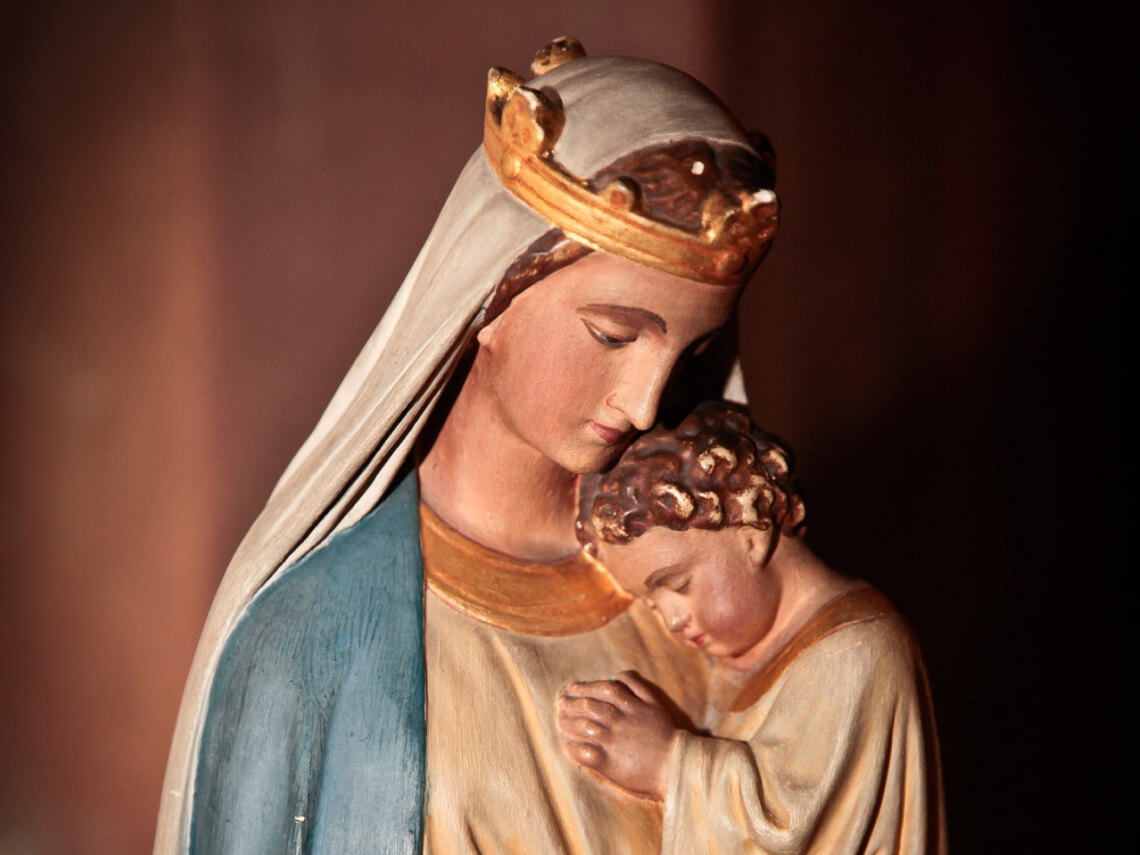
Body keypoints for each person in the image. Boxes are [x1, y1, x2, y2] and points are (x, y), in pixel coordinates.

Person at [155, 38, 782, 854]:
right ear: (490, 289)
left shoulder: (709, 605)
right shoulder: (308, 640)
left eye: (693, 354)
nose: (645, 403)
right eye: (613, 334)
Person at [561, 400, 948, 854]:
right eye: (651, 604)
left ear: (751, 533)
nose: (672, 619)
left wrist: (668, 763)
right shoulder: (736, 654)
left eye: (679, 585)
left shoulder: (857, 650)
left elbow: (793, 827)